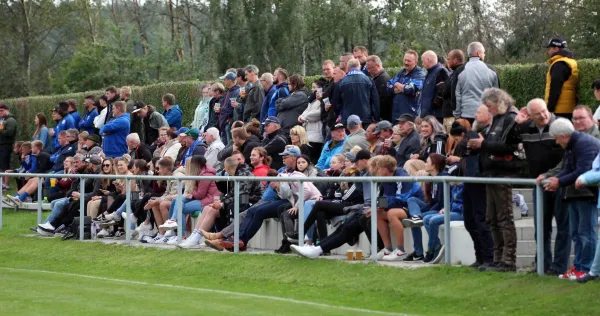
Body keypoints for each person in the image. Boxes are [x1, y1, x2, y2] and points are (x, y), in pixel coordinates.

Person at [467, 88, 521, 272]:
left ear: (498, 102)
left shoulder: (510, 118)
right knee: (492, 218)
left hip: (502, 173)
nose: (488, 111)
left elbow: (510, 147)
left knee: (504, 217)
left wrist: (483, 144)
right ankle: (497, 259)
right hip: (490, 173)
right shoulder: (499, 118)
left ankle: (508, 260)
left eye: (489, 107)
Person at [513, 99, 565, 275]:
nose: (543, 116)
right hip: (538, 185)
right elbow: (507, 141)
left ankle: (559, 266)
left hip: (559, 183)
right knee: (541, 228)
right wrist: (516, 122)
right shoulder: (525, 128)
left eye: (544, 111)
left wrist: (555, 176)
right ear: (530, 116)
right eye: (537, 114)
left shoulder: (560, 126)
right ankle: (542, 264)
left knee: (563, 228)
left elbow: (569, 157)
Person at [543, 118, 600, 280]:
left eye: (556, 138)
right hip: (575, 194)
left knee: (586, 233)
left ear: (563, 135)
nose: (556, 141)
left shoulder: (584, 144)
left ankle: (587, 269)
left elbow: (584, 171)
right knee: (575, 232)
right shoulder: (573, 144)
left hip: (587, 195)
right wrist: (555, 180)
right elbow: (568, 168)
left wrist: (559, 181)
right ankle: (579, 267)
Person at [179, 156, 263, 248]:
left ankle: (198, 238)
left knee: (214, 210)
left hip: (252, 203)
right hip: (243, 201)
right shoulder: (236, 174)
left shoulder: (243, 175)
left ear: (227, 167)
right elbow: (233, 195)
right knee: (208, 208)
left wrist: (223, 203)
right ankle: (194, 236)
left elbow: (242, 197)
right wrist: (221, 201)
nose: (224, 170)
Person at [454, 108, 494, 268]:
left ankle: (489, 257)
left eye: (479, 113)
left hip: (481, 180)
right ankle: (480, 257)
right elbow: (462, 148)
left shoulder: (489, 132)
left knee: (480, 219)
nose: (475, 115)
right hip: (469, 179)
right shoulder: (475, 133)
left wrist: (475, 144)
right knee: (469, 221)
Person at [158, 156, 221, 241]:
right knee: (176, 200)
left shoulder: (206, 175)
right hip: (200, 198)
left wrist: (192, 191)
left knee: (181, 207)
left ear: (196, 165)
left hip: (208, 200)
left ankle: (180, 234)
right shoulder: (200, 173)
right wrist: (191, 192)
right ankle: (172, 224)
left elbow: (200, 194)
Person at [376, 156, 425, 261]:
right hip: (400, 205)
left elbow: (401, 200)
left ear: (384, 169)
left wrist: (384, 207)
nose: (377, 170)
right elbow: (383, 197)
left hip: (413, 206)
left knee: (392, 213)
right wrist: (378, 207)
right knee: (378, 213)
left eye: (379, 168)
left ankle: (400, 250)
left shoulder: (402, 177)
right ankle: (388, 248)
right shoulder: (384, 179)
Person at [402, 154, 449, 261]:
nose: (425, 164)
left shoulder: (443, 177)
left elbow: (441, 202)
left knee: (414, 221)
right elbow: (431, 201)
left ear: (435, 165)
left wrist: (428, 209)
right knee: (412, 200)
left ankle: (425, 249)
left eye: (427, 162)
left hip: (441, 208)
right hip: (433, 206)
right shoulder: (431, 178)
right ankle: (416, 217)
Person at [454, 42, 499, 123]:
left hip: (466, 115)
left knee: (469, 136)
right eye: (484, 52)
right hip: (486, 115)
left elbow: (457, 95)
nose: (484, 55)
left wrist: (457, 115)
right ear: (479, 53)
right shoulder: (491, 69)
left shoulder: (460, 70)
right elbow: (496, 94)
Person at [423, 183, 464, 264]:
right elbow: (451, 202)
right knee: (426, 219)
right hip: (452, 211)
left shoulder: (465, 187)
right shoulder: (455, 187)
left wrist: (451, 209)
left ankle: (431, 248)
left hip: (461, 213)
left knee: (433, 220)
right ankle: (437, 245)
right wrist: (445, 208)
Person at [333, 58, 380, 125]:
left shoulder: (341, 82)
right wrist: (376, 118)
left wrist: (339, 114)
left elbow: (336, 103)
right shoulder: (369, 80)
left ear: (348, 68)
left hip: (347, 119)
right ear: (360, 66)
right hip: (365, 118)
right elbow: (375, 101)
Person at [543, 37, 579, 119]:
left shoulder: (559, 64)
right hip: (569, 108)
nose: (548, 52)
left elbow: (555, 88)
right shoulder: (570, 61)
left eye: (550, 49)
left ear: (556, 48)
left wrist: (549, 109)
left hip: (559, 111)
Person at [387, 50, 426, 119]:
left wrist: (396, 84)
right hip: (396, 113)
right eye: (405, 60)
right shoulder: (401, 72)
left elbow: (410, 90)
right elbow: (388, 87)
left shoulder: (419, 74)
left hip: (410, 113)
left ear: (416, 62)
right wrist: (403, 87)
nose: (406, 63)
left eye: (409, 61)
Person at [298, 78, 325, 162]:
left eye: (314, 87)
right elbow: (307, 110)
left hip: (316, 135)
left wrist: (304, 117)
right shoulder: (312, 100)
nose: (312, 89)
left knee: (313, 159)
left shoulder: (322, 100)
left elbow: (319, 113)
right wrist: (301, 116)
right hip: (309, 134)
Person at [419, 51, 449, 121]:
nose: (422, 64)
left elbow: (443, 94)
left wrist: (433, 106)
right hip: (428, 115)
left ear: (429, 60)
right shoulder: (429, 74)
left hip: (436, 116)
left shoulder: (440, 72)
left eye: (423, 61)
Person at [442, 49, 466, 132]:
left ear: (455, 60)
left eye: (448, 59)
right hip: (448, 114)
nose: (447, 62)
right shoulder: (454, 73)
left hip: (452, 115)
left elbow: (446, 92)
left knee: (452, 141)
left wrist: (443, 87)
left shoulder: (459, 73)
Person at [366, 55, 393, 122]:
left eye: (370, 68)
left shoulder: (383, 79)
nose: (369, 71)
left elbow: (382, 100)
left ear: (377, 66)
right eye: (367, 68)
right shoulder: (377, 78)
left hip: (383, 117)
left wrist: (376, 116)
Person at [217, 72, 241, 144]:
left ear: (230, 80)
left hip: (228, 123)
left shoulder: (236, 91)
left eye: (225, 79)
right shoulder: (229, 91)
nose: (224, 81)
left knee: (229, 146)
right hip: (224, 123)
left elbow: (231, 108)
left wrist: (221, 109)